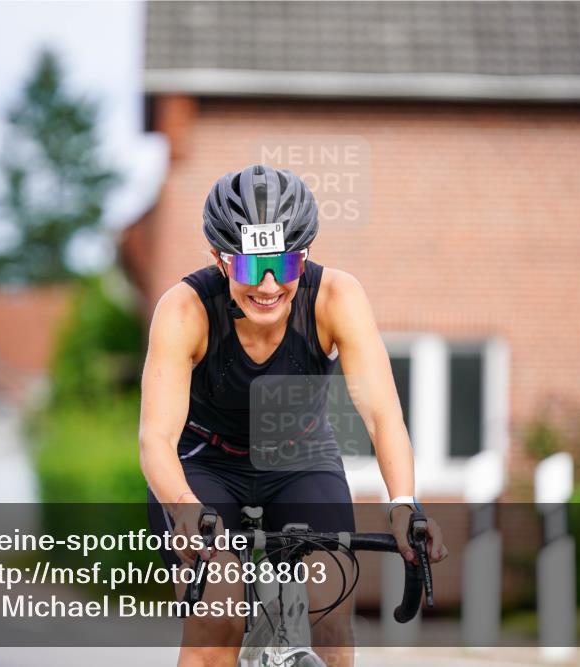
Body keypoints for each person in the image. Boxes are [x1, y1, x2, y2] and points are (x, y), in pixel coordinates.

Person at [141, 164, 445, 667]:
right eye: (247, 267)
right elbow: (155, 438)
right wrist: (184, 509)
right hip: (202, 464)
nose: (266, 286)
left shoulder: (337, 297)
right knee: (218, 614)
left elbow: (383, 416)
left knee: (331, 609)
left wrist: (404, 504)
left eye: (281, 267)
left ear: (303, 259)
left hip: (299, 457)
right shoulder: (184, 310)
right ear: (219, 259)